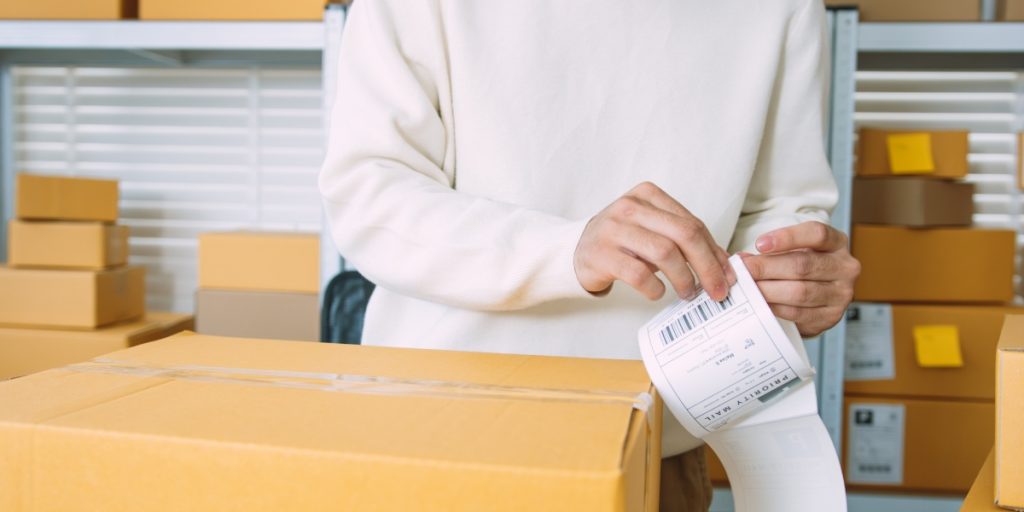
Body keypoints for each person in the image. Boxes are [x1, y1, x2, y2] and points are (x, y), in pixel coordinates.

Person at [319, 1, 860, 510]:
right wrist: (566, 250)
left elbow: (780, 205)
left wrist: (792, 275)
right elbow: (368, 192)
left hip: (656, 451)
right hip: (443, 439)